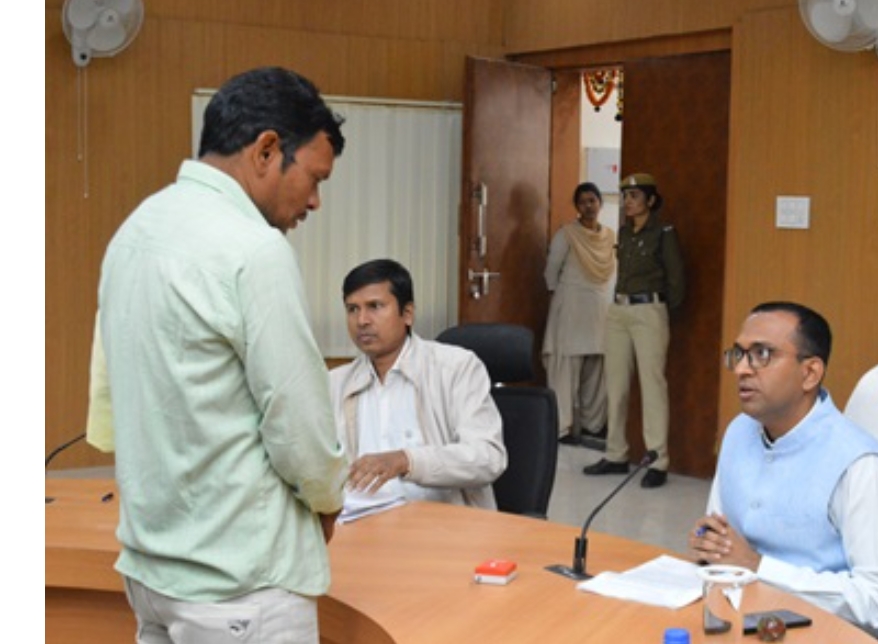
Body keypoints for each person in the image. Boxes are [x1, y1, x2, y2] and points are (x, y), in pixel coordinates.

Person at [86, 67, 350, 643]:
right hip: (239, 585)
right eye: (314, 178)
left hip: (151, 569)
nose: (315, 200)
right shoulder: (254, 250)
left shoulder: (134, 232)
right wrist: (328, 498)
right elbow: (300, 427)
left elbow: (109, 403)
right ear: (266, 150)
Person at [688, 301, 878, 628]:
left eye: (762, 354)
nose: (742, 369)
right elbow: (722, 541)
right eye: (739, 354)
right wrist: (710, 546)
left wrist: (757, 567)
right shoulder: (738, 431)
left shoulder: (859, 464)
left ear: (810, 373)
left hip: (818, 631)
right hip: (738, 618)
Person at [328, 259, 508, 511]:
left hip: (443, 523)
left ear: (408, 314)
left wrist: (406, 461)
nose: (362, 320)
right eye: (352, 309)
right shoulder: (335, 383)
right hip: (361, 522)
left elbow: (488, 457)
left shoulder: (456, 368)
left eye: (375, 306)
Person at [584, 172, 686, 488]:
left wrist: (659, 311)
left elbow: (677, 280)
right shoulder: (625, 234)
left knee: (652, 386)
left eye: (635, 196)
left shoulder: (664, 233)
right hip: (618, 311)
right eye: (625, 196)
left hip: (648, 311)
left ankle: (657, 460)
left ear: (650, 201)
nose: (628, 202)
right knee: (615, 385)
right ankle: (616, 454)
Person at [541, 182, 616, 446]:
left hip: (600, 308)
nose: (589, 206)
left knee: (597, 370)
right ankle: (561, 427)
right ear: (577, 206)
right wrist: (562, 297)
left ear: (600, 203)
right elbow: (551, 273)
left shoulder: (610, 236)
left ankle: (593, 425)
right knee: (565, 371)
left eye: (592, 200)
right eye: (583, 202)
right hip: (571, 307)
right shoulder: (566, 235)